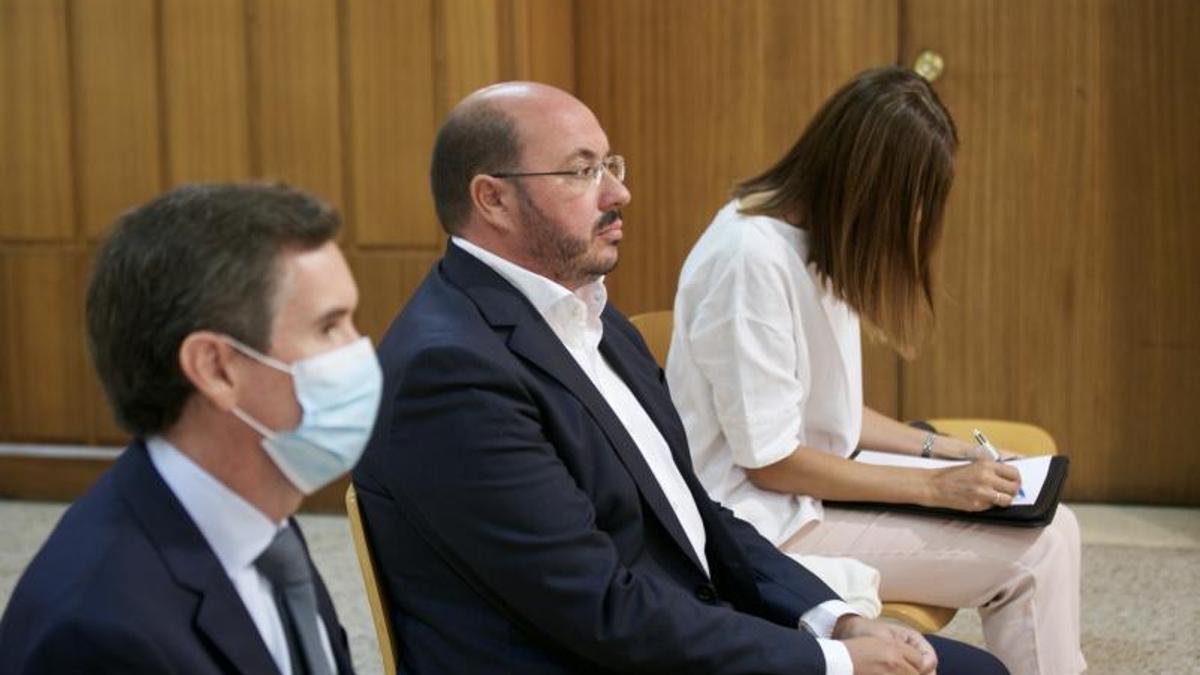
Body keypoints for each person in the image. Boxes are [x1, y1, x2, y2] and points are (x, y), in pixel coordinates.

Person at [353, 80, 1006, 674]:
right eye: (582, 171)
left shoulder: (590, 316)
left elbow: (694, 511)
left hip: (675, 621)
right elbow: (599, 610)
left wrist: (836, 617)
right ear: (492, 198)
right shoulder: (452, 372)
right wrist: (831, 661)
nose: (618, 193)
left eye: (612, 164)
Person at [666, 67, 1084, 675]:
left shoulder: (812, 240)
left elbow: (827, 411)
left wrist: (946, 452)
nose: (914, 222)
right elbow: (770, 459)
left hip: (806, 492)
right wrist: (935, 489)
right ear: (866, 188)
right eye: (912, 204)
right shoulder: (750, 260)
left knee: (1054, 524)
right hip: (758, 520)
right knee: (1038, 551)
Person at [0, 183, 377, 674]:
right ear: (216, 369)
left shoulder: (262, 521)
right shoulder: (98, 635)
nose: (360, 348)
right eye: (330, 327)